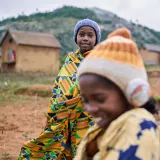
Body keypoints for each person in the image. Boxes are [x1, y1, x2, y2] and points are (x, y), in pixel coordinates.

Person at [19, 18, 101, 160]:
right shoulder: (69, 61)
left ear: (96, 39)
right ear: (76, 38)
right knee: (65, 146)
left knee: (88, 148)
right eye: (82, 34)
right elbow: (59, 87)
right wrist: (62, 105)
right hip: (66, 116)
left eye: (90, 35)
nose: (85, 38)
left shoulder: (100, 61)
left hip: (89, 116)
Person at [76, 28, 160, 160]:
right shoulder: (103, 126)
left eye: (100, 99)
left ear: (132, 92)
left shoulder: (140, 127)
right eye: (85, 100)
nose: (90, 109)